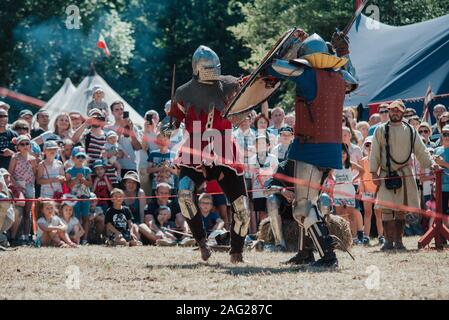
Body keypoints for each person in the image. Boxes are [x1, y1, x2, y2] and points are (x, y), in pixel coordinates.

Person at [265, 29, 358, 267]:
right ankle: (305, 252)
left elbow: (274, 67)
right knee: (310, 202)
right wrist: (344, 52)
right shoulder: (340, 78)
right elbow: (353, 78)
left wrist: (285, 49)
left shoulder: (306, 75)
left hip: (310, 147)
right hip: (330, 149)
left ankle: (328, 257)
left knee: (303, 208)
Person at [165, 45, 251, 263]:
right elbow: (173, 121)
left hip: (224, 149)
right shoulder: (184, 93)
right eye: (208, 68)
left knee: (241, 205)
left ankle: (237, 252)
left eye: (215, 68)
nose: (212, 72)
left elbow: (255, 83)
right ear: (197, 68)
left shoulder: (230, 84)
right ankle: (202, 243)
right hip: (194, 147)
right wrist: (167, 126)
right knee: (185, 194)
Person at [370, 99, 437, 250]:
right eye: (392, 110)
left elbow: (421, 150)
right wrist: (374, 172)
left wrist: (431, 163)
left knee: (400, 210)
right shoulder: (380, 130)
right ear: (389, 111)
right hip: (387, 174)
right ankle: (388, 241)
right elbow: (374, 152)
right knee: (387, 209)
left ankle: (399, 241)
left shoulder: (411, 130)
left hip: (405, 174)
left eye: (398, 110)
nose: (394, 113)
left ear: (402, 112)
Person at [331, 144, 365, 244]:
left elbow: (362, 171)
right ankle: (342, 238)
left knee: (351, 216)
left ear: (347, 154)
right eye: (340, 153)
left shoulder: (350, 164)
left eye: (344, 153)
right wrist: (334, 180)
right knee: (340, 216)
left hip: (349, 193)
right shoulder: (334, 165)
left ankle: (354, 238)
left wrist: (353, 179)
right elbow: (329, 174)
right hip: (337, 193)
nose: (342, 155)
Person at [8, 135, 38, 245]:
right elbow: (10, 174)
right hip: (17, 187)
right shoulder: (15, 157)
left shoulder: (33, 158)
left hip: (30, 186)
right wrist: (16, 186)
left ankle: (26, 236)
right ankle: (13, 237)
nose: (25, 146)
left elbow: (34, 175)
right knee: (17, 212)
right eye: (22, 144)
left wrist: (34, 166)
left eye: (27, 144)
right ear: (18, 147)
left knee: (27, 212)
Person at [265, 159, 298, 252]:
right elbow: (267, 190)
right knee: (271, 200)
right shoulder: (282, 167)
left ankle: (321, 239)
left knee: (324, 198)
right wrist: (282, 191)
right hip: (285, 209)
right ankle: (279, 243)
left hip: (304, 205)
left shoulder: (308, 165)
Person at [249, 135, 278, 233]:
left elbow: (276, 174)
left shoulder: (273, 158)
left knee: (270, 211)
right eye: (258, 143)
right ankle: (263, 234)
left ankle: (272, 232)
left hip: (270, 190)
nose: (260, 145)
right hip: (258, 191)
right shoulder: (252, 159)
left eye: (263, 143)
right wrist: (253, 193)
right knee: (261, 213)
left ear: (268, 145)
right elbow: (253, 176)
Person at [105, 101, 142, 177]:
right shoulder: (108, 128)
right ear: (112, 112)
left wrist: (131, 131)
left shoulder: (133, 127)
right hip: (114, 167)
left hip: (131, 166)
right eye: (117, 109)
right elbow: (109, 146)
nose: (120, 111)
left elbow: (138, 147)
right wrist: (121, 128)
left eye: (121, 109)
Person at [359, 137, 384, 245]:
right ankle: (366, 236)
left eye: (371, 145)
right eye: (367, 145)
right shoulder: (363, 161)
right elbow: (361, 177)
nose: (369, 147)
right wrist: (362, 189)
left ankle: (381, 236)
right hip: (367, 190)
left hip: (378, 190)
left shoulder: (380, 160)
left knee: (379, 214)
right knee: (367, 213)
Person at [65, 147, 92, 245]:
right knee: (75, 218)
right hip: (74, 198)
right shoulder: (69, 171)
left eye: (82, 157)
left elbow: (90, 184)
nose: (80, 159)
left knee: (85, 218)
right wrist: (76, 179)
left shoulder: (87, 170)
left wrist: (84, 180)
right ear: (73, 158)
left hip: (85, 197)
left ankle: (84, 239)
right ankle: (76, 238)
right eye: (78, 156)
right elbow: (68, 185)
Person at [138, 110, 159, 197]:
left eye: (154, 117)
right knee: (146, 194)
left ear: (158, 119)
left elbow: (162, 147)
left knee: (158, 193)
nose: (152, 119)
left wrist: (153, 131)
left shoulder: (161, 132)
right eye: (149, 117)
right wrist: (146, 132)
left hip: (158, 168)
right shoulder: (140, 133)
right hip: (144, 167)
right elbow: (144, 147)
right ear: (144, 119)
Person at [433, 125, 449, 227]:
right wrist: (434, 165)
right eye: (445, 134)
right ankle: (443, 236)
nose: (447, 136)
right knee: (441, 212)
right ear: (441, 136)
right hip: (440, 187)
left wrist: (443, 164)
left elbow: (443, 164)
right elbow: (433, 169)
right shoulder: (437, 150)